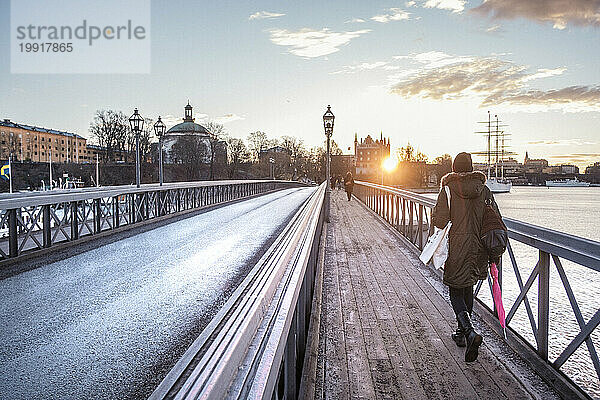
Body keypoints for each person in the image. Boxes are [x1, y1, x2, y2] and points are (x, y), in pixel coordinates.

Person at [431, 152, 501, 362]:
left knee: (455, 289)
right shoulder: (485, 190)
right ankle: (462, 333)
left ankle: (469, 332)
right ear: (471, 169)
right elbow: (495, 218)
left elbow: (440, 221)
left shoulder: (448, 189)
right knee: (468, 287)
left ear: (454, 169)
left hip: (458, 246)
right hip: (479, 247)